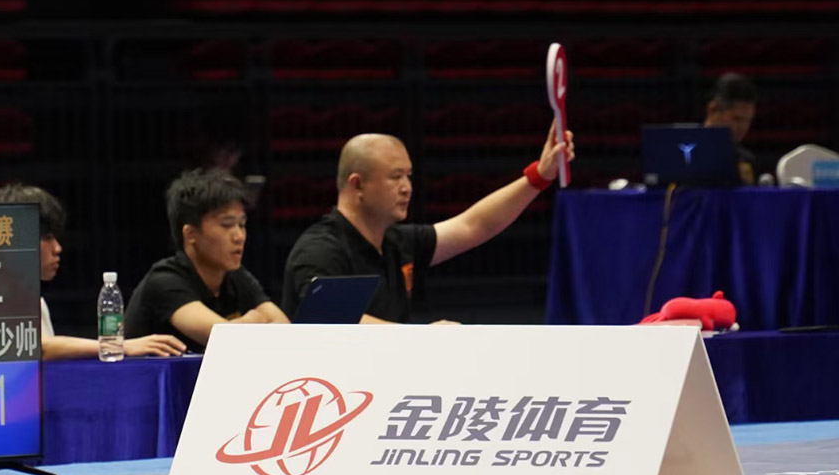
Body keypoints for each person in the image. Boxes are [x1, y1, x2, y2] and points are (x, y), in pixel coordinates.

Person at [282, 126, 574, 324]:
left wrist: (539, 176)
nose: (407, 188)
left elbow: (474, 226)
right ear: (357, 185)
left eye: (408, 176)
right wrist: (420, 338)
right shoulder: (320, 250)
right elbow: (332, 319)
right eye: (395, 177)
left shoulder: (396, 241)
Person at [0, 184, 184, 359]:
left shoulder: (33, 302)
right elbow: (36, 348)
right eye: (47, 238)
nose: (57, 248)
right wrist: (116, 346)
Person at [125, 167, 288, 352]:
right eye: (226, 225)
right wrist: (254, 319)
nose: (239, 236)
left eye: (242, 224)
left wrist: (244, 326)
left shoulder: (235, 276)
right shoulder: (164, 280)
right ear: (190, 233)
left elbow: (285, 329)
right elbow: (225, 339)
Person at [703, 72, 758, 186]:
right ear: (712, 109)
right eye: (737, 119)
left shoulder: (746, 161)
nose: (743, 127)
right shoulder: (685, 153)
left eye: (748, 120)